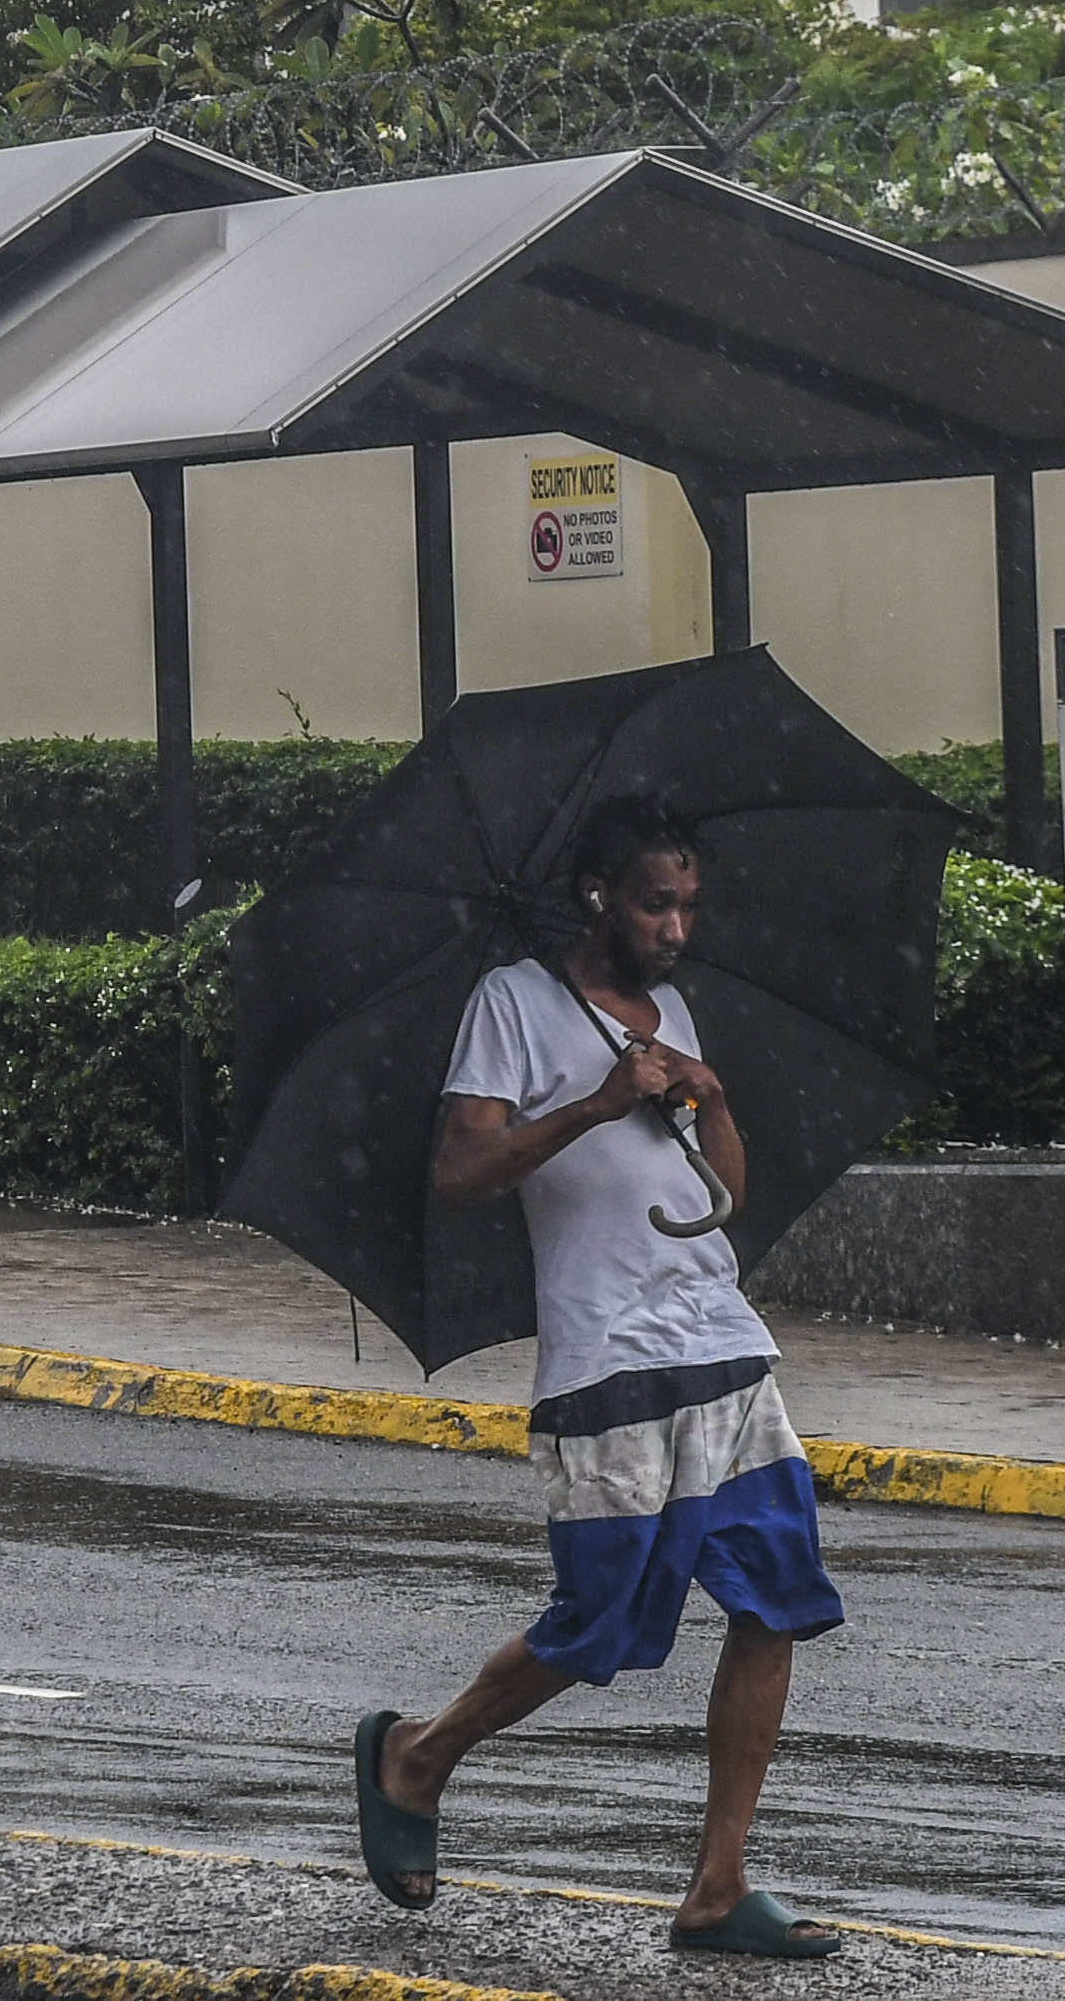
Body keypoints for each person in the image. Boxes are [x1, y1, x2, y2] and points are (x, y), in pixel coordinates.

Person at [351, 795, 847, 1961]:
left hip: (721, 1340)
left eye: (688, 904)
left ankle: (717, 1887)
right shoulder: (513, 1003)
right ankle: (415, 1755)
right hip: (608, 1357)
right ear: (598, 897)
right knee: (599, 1623)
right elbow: (462, 1166)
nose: (676, 927)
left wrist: (706, 1095)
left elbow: (727, 1193)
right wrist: (598, 1100)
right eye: (654, 903)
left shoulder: (670, 1008)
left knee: (777, 1600)